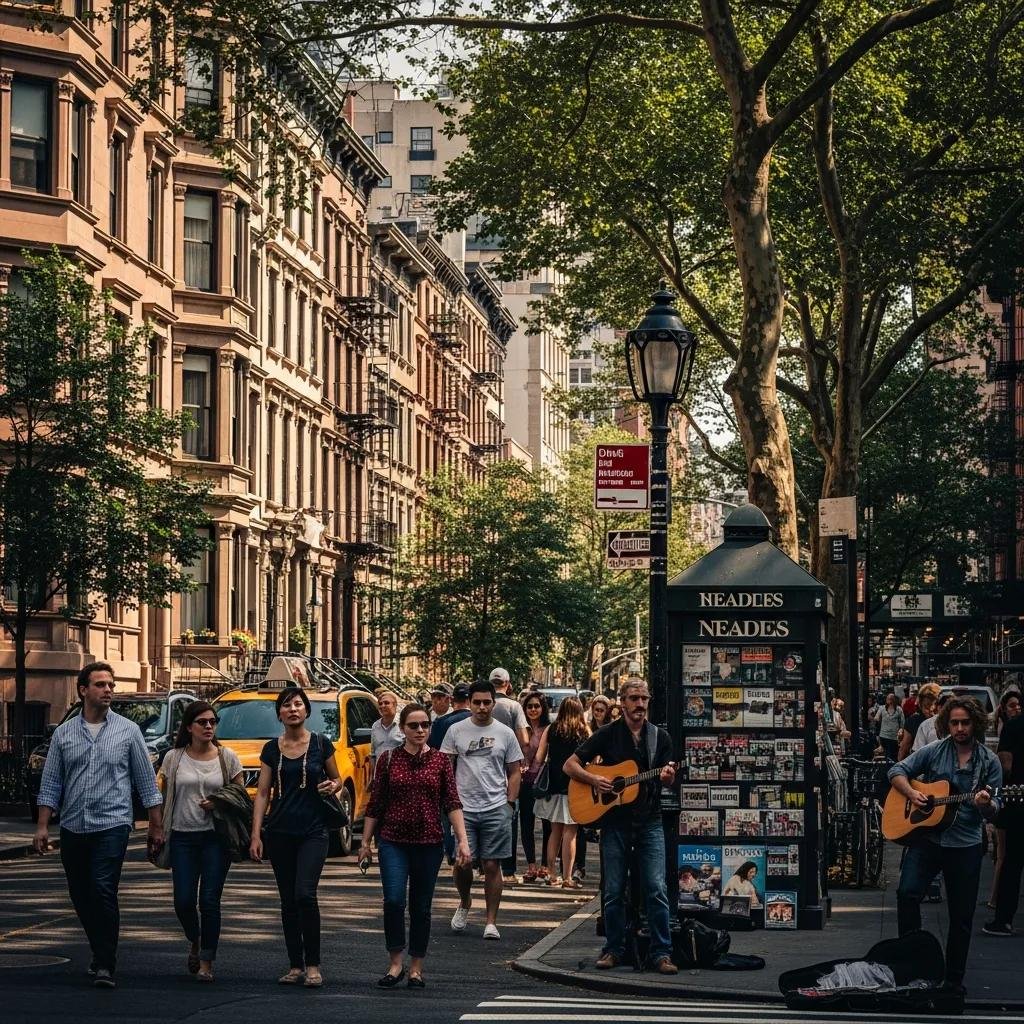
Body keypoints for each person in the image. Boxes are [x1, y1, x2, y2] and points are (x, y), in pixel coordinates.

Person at [34, 661, 164, 988]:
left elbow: (146, 783)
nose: (108, 690)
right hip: (74, 825)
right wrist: (42, 826)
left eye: (111, 685)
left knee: (103, 888)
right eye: (101, 684)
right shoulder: (64, 734)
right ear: (83, 690)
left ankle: (106, 962)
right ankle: (98, 949)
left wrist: (155, 826)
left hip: (113, 823)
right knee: (80, 893)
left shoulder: (128, 731)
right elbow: (51, 784)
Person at [564, 678, 678, 975]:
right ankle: (613, 949)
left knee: (656, 888)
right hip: (614, 823)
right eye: (634, 698)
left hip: (649, 820)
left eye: (644, 698)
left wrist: (667, 778)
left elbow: (668, 776)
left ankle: (661, 952)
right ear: (622, 702)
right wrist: (594, 780)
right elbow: (570, 765)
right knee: (613, 889)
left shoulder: (660, 737)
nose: (640, 704)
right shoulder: (607, 734)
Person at [889, 697, 1002, 991]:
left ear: (975, 723)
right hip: (927, 840)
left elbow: (996, 808)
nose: (960, 728)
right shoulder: (935, 751)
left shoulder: (989, 761)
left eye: (965, 722)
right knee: (906, 894)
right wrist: (912, 795)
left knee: (961, 916)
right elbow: (896, 771)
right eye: (955, 722)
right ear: (946, 724)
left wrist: (985, 805)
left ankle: (953, 980)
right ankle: (912, 965)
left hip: (965, 845)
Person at [359, 703, 470, 987]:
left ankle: (417, 967)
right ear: (402, 729)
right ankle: (396, 963)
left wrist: (462, 840)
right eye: (414, 726)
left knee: (421, 907)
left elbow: (452, 802)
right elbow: (376, 803)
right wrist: (365, 842)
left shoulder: (441, 761)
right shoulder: (387, 760)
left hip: (429, 842)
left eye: (425, 725)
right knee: (394, 901)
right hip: (393, 841)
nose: (420, 730)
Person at [250, 686, 343, 987]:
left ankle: (313, 965)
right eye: (287, 705)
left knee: (305, 894)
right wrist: (256, 834)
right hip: (280, 832)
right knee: (288, 900)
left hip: (314, 831)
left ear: (306, 711)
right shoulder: (271, 749)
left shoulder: (320, 743)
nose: (293, 709)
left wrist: (333, 786)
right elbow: (263, 792)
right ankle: (295, 965)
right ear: (279, 713)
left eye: (298, 704)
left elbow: (337, 779)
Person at [158, 701, 243, 982]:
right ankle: (195, 939)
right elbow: (162, 796)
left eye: (212, 722)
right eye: (202, 722)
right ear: (188, 726)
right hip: (182, 836)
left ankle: (207, 960)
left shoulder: (227, 757)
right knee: (183, 901)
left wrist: (218, 803)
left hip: (215, 839)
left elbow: (241, 799)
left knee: (209, 900)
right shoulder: (173, 758)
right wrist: (156, 828)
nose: (209, 726)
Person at [440, 679, 523, 940]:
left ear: (493, 703)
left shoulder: (505, 733)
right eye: (477, 702)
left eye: (487, 702)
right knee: (463, 862)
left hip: (496, 805)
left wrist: (510, 803)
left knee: (491, 864)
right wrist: (448, 802)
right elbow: (446, 768)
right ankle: (465, 902)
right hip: (463, 808)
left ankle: (490, 921)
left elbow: (515, 771)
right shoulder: (456, 730)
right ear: (470, 703)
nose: (482, 707)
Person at [532, 696, 590, 888]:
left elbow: (540, 757)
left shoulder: (552, 729)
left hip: (553, 786)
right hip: (577, 786)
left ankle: (551, 874)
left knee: (554, 831)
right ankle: (567, 877)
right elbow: (595, 758)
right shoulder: (584, 731)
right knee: (571, 833)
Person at [985, 692, 1024, 935]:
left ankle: (1004, 920)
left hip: (1018, 801)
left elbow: (1005, 766)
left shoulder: (1013, 727)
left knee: (1012, 862)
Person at [488, 667, 528, 883]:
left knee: (483, 814)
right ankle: (509, 870)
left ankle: (483, 866)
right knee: (509, 815)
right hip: (508, 768)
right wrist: (523, 761)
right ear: (508, 684)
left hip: (485, 768)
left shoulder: (482, 705)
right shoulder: (514, 706)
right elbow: (524, 738)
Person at [518, 692, 553, 883]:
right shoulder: (520, 728)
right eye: (529, 706)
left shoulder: (549, 728)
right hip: (524, 781)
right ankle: (531, 866)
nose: (533, 709)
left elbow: (542, 757)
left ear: (543, 708)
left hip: (542, 781)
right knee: (526, 823)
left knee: (547, 823)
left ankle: (545, 866)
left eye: (536, 706)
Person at [898, 683, 941, 761]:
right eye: (927, 706)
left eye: (934, 706)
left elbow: (903, 750)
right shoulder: (913, 721)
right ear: (921, 705)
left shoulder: (949, 720)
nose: (931, 710)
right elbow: (904, 748)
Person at [371, 691, 403, 768]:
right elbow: (373, 754)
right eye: (380, 704)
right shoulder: (375, 726)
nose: (383, 706)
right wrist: (372, 777)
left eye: (386, 703)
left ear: (395, 705)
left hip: (400, 773)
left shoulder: (404, 723)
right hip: (380, 774)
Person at [874, 692, 905, 760]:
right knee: (886, 755)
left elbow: (902, 722)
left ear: (894, 700)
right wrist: (878, 718)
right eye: (888, 698)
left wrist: (901, 732)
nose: (889, 700)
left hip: (894, 737)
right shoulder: (882, 708)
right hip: (884, 735)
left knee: (893, 755)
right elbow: (876, 718)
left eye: (891, 698)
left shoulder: (899, 709)